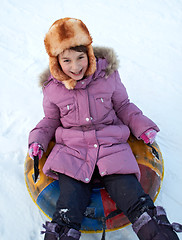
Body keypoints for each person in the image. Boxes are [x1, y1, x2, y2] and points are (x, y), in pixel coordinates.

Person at [28, 18, 181, 240]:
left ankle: (157, 233)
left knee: (132, 196)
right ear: (56, 62)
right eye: (67, 60)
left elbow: (123, 106)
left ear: (89, 54)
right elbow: (50, 120)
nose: (75, 66)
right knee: (69, 205)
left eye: (80, 57)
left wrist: (143, 126)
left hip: (112, 148)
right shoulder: (53, 89)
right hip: (73, 153)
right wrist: (37, 141)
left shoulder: (107, 76)